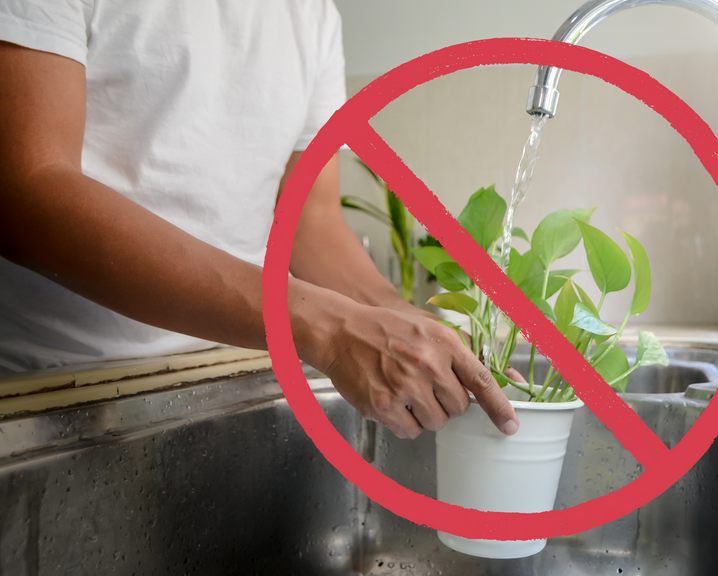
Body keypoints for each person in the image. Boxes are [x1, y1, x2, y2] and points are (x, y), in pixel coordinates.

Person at [0, 0, 519, 439]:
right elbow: (26, 189)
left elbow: (309, 219)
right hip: (57, 395)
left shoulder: (312, 14)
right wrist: (330, 328)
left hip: (230, 380)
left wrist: (397, 316)